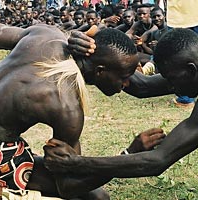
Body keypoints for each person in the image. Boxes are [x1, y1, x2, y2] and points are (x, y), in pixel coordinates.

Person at [0, 24, 165, 199]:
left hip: (7, 145)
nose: (127, 84)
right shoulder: (67, 107)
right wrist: (128, 155)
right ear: (100, 71)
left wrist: (66, 35)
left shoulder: (47, 34)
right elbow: (68, 187)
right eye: (123, 78)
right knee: (98, 198)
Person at [44, 27, 198, 195]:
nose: (169, 87)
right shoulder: (190, 72)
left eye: (171, 79)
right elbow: (143, 86)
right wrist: (99, 48)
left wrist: (75, 163)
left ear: (191, 70)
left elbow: (157, 160)